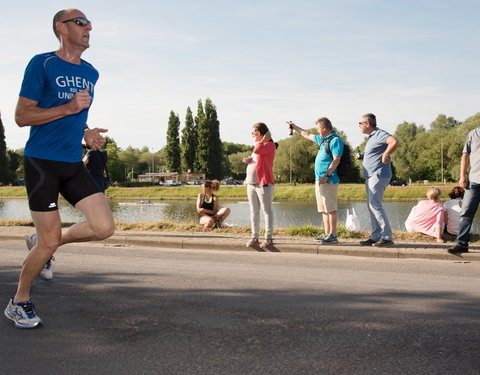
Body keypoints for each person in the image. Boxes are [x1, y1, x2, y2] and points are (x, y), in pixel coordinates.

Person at [4, 9, 115, 329]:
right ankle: (19, 301)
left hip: (72, 162)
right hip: (41, 161)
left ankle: (43, 243)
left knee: (103, 227)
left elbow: (77, 114)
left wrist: (86, 132)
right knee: (48, 240)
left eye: (89, 23)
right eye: (81, 22)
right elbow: (23, 116)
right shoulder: (41, 64)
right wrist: (68, 107)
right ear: (61, 28)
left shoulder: (92, 72)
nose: (89, 27)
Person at [287, 118, 344, 244]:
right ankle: (326, 233)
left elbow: (336, 160)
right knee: (323, 209)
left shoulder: (335, 140)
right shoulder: (322, 140)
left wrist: (326, 175)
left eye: (318, 128)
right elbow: (306, 134)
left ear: (324, 128)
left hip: (328, 180)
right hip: (320, 180)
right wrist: (294, 126)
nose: (317, 131)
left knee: (330, 209)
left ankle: (333, 235)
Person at [356, 113, 399, 247]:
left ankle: (386, 236)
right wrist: (363, 156)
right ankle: (376, 236)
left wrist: (386, 154)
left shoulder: (379, 133)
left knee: (375, 205)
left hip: (378, 175)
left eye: (360, 123)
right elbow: (375, 155)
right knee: (372, 206)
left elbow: (394, 141)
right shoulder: (372, 137)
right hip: (371, 175)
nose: (358, 126)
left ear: (367, 124)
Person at [243, 122, 277, 249]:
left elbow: (258, 149)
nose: (252, 135)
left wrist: (264, 138)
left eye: (254, 133)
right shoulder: (259, 145)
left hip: (263, 183)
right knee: (254, 211)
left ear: (262, 133)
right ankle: (255, 237)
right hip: (251, 184)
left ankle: (268, 238)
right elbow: (257, 157)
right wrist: (248, 160)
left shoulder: (269, 145)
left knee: (267, 211)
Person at [448, 128, 480, 254]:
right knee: (465, 213)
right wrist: (462, 175)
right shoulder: (473, 134)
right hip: (474, 181)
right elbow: (465, 155)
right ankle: (461, 244)